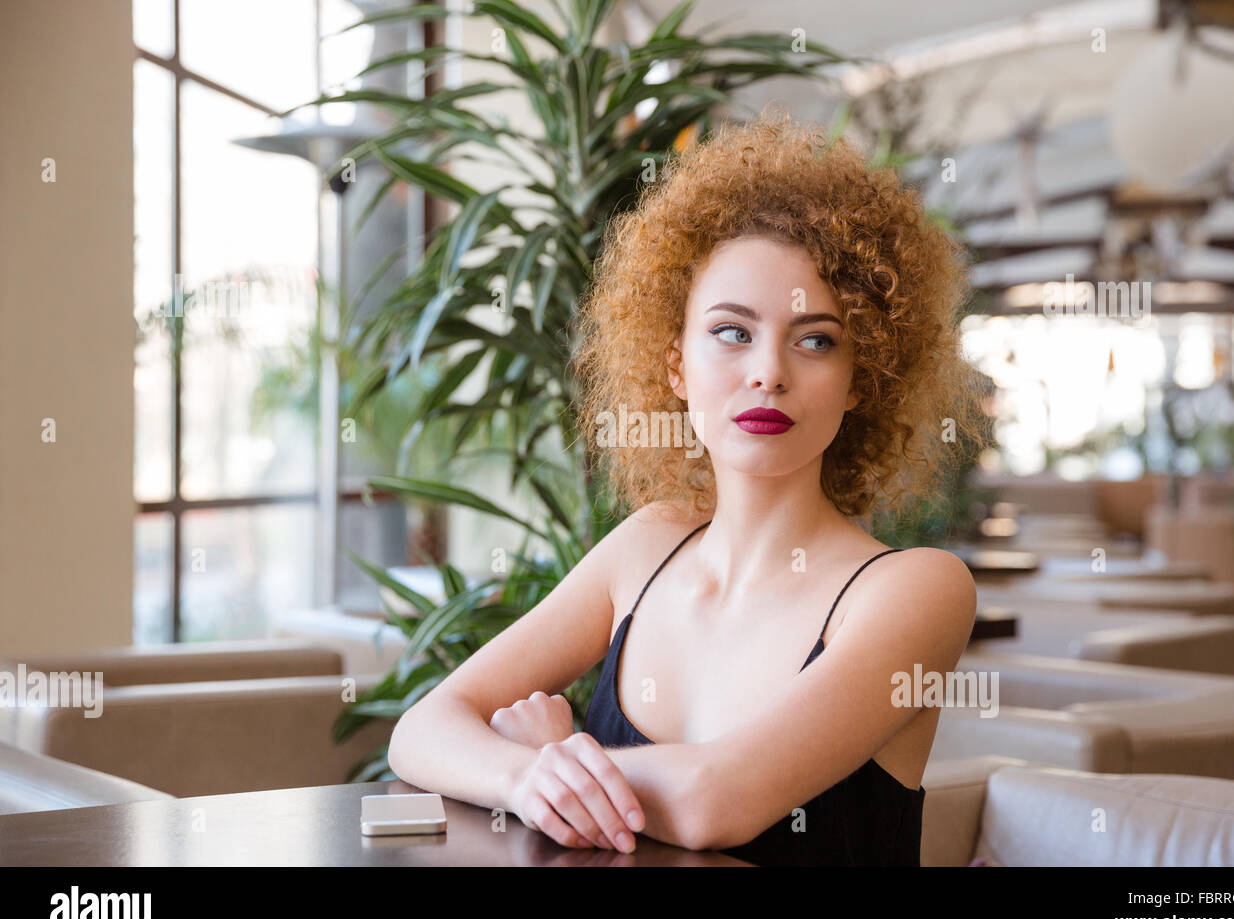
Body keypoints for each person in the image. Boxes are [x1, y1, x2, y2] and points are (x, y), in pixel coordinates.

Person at [387, 104, 984, 865]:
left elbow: (714, 802)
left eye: (816, 340)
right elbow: (423, 730)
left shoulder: (916, 591)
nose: (769, 370)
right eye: (732, 332)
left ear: (861, 379)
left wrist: (564, 751)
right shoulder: (647, 546)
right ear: (676, 365)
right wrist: (531, 774)